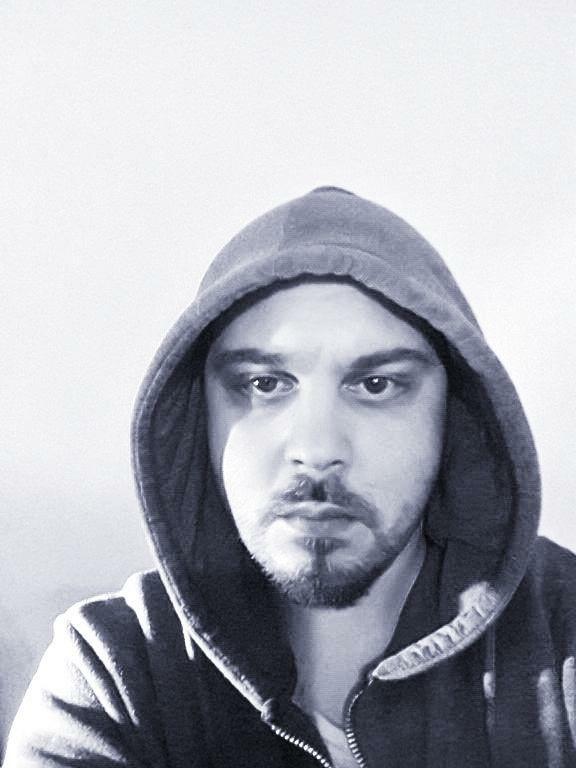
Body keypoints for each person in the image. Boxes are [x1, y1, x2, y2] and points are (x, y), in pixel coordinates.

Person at [5, 186, 576, 768]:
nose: (318, 449)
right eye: (264, 384)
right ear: (200, 419)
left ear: (453, 418)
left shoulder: (567, 638)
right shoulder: (116, 675)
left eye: (376, 385)